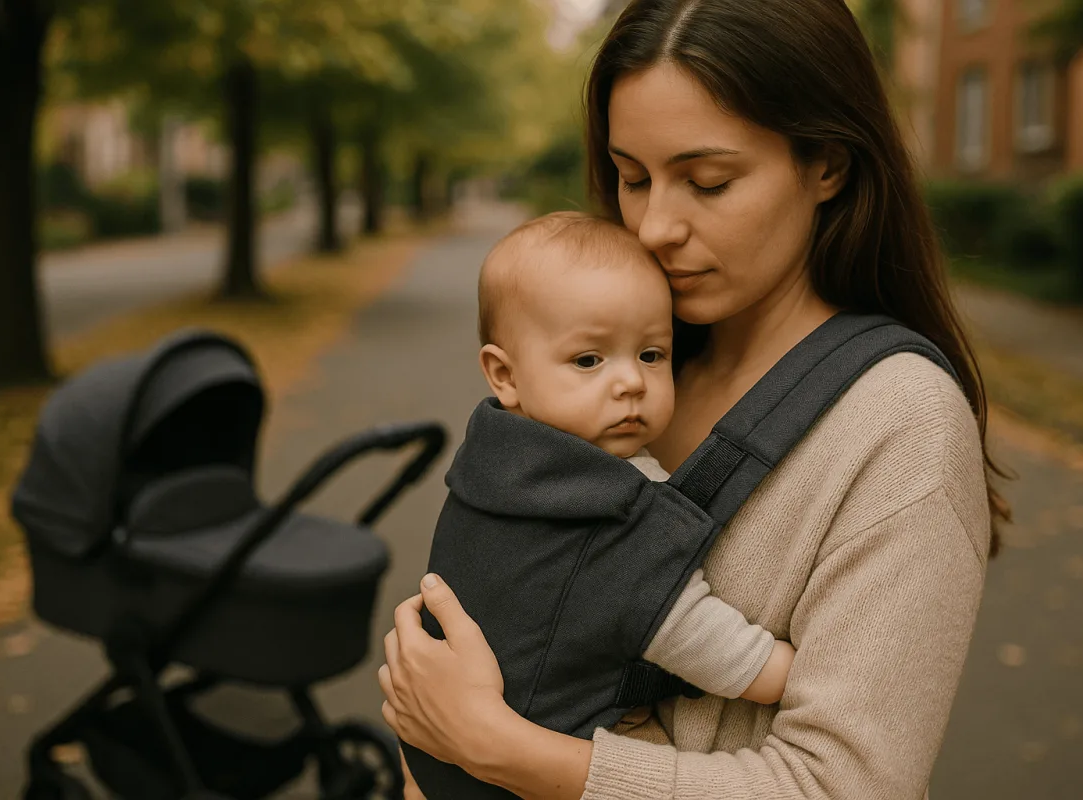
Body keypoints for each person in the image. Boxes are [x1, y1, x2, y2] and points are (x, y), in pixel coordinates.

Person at [379, 0, 1007, 797]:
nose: (654, 228)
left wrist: (502, 750)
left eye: (707, 182)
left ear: (828, 164)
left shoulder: (901, 423)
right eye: (632, 178)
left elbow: (845, 785)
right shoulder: (617, 357)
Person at [400, 210, 796, 799]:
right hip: (521, 776)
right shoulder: (602, 515)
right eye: (589, 360)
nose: (631, 382)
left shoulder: (494, 465)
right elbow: (709, 644)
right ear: (504, 374)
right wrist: (802, 671)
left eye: (652, 354)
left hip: (435, 757)